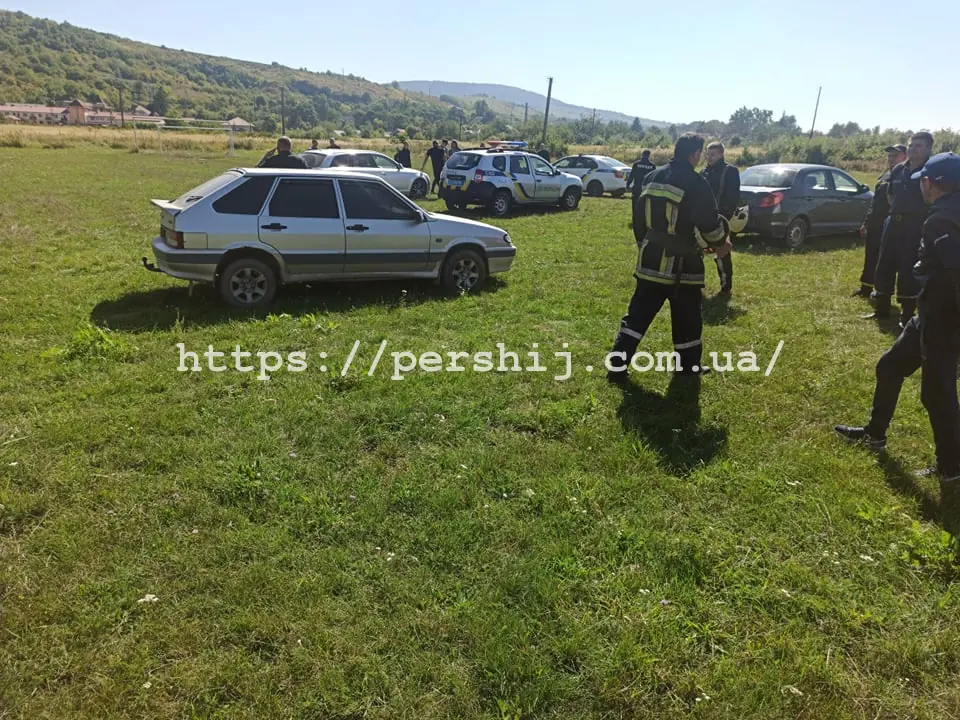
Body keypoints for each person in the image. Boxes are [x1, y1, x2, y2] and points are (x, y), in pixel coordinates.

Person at [835, 152, 960, 496]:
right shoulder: (948, 213)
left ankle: (952, 471)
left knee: (938, 394)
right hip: (930, 314)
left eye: (922, 180)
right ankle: (875, 435)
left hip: (944, 319)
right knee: (890, 366)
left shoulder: (941, 221)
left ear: (930, 183)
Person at [607, 133, 733, 383]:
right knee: (687, 319)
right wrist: (721, 243)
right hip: (683, 267)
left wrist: (645, 245)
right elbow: (709, 223)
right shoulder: (696, 183)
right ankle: (687, 368)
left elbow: (638, 219)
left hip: (650, 261)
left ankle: (616, 367)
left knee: (636, 316)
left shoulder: (652, 177)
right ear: (694, 154)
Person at [866, 132, 934, 327]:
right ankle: (881, 309)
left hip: (915, 226)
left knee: (908, 267)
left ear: (928, 149)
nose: (913, 149)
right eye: (911, 145)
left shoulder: (930, 171)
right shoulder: (898, 169)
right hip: (893, 223)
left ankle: (906, 315)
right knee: (884, 263)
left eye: (919, 146)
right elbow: (890, 196)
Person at [853, 144, 907, 298]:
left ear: (905, 156)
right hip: (875, 223)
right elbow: (874, 203)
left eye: (895, 155)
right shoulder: (885, 175)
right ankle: (866, 287)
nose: (891, 158)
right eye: (889, 156)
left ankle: (881, 292)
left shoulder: (905, 176)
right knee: (871, 255)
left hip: (890, 224)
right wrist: (866, 223)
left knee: (885, 260)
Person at [701, 141, 741, 294]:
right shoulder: (704, 172)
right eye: (708, 154)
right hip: (702, 218)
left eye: (713, 154)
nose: (709, 157)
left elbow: (733, 197)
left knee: (722, 253)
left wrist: (723, 219)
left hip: (720, 219)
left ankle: (725, 286)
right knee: (697, 252)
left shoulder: (730, 171)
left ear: (721, 154)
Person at [626, 149, 657, 230]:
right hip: (647, 189)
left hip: (637, 189)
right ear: (649, 155)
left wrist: (628, 185)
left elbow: (632, 176)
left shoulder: (636, 164)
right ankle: (644, 221)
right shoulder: (652, 166)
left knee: (635, 206)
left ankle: (635, 221)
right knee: (645, 206)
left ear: (642, 155)